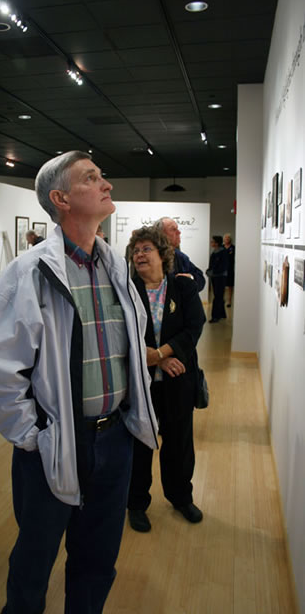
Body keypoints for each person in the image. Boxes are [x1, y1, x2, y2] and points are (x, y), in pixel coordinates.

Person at [0, 150, 158, 614]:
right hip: (55, 442)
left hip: (114, 439)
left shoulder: (116, 266)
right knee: (34, 561)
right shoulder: (28, 273)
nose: (107, 184)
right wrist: (33, 436)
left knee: (98, 560)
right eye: (91, 178)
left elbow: (131, 345)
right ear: (61, 199)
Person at [126, 225, 206, 533]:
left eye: (146, 249)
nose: (140, 255)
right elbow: (121, 334)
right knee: (139, 444)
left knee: (178, 442)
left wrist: (161, 353)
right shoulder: (127, 291)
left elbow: (194, 326)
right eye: (136, 251)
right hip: (140, 383)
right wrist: (157, 358)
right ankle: (136, 503)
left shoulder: (182, 286)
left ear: (163, 254)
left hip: (178, 379)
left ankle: (181, 497)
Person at [157, 217, 205, 291]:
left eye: (177, 229)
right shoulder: (153, 258)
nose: (179, 232)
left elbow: (200, 278)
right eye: (173, 229)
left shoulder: (180, 256)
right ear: (160, 234)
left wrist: (191, 278)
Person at [206, 235, 229, 323]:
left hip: (220, 277)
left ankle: (215, 316)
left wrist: (212, 272)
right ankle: (222, 314)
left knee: (218, 296)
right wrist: (209, 271)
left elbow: (223, 266)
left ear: (216, 243)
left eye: (212, 241)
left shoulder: (223, 252)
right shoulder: (215, 252)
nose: (211, 243)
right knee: (218, 295)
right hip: (215, 277)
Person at [223, 233, 235, 307]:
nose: (227, 239)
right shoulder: (221, 247)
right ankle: (222, 300)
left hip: (230, 269)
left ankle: (229, 301)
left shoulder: (233, 248)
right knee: (222, 286)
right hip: (222, 269)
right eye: (226, 238)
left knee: (230, 286)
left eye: (228, 238)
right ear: (224, 239)